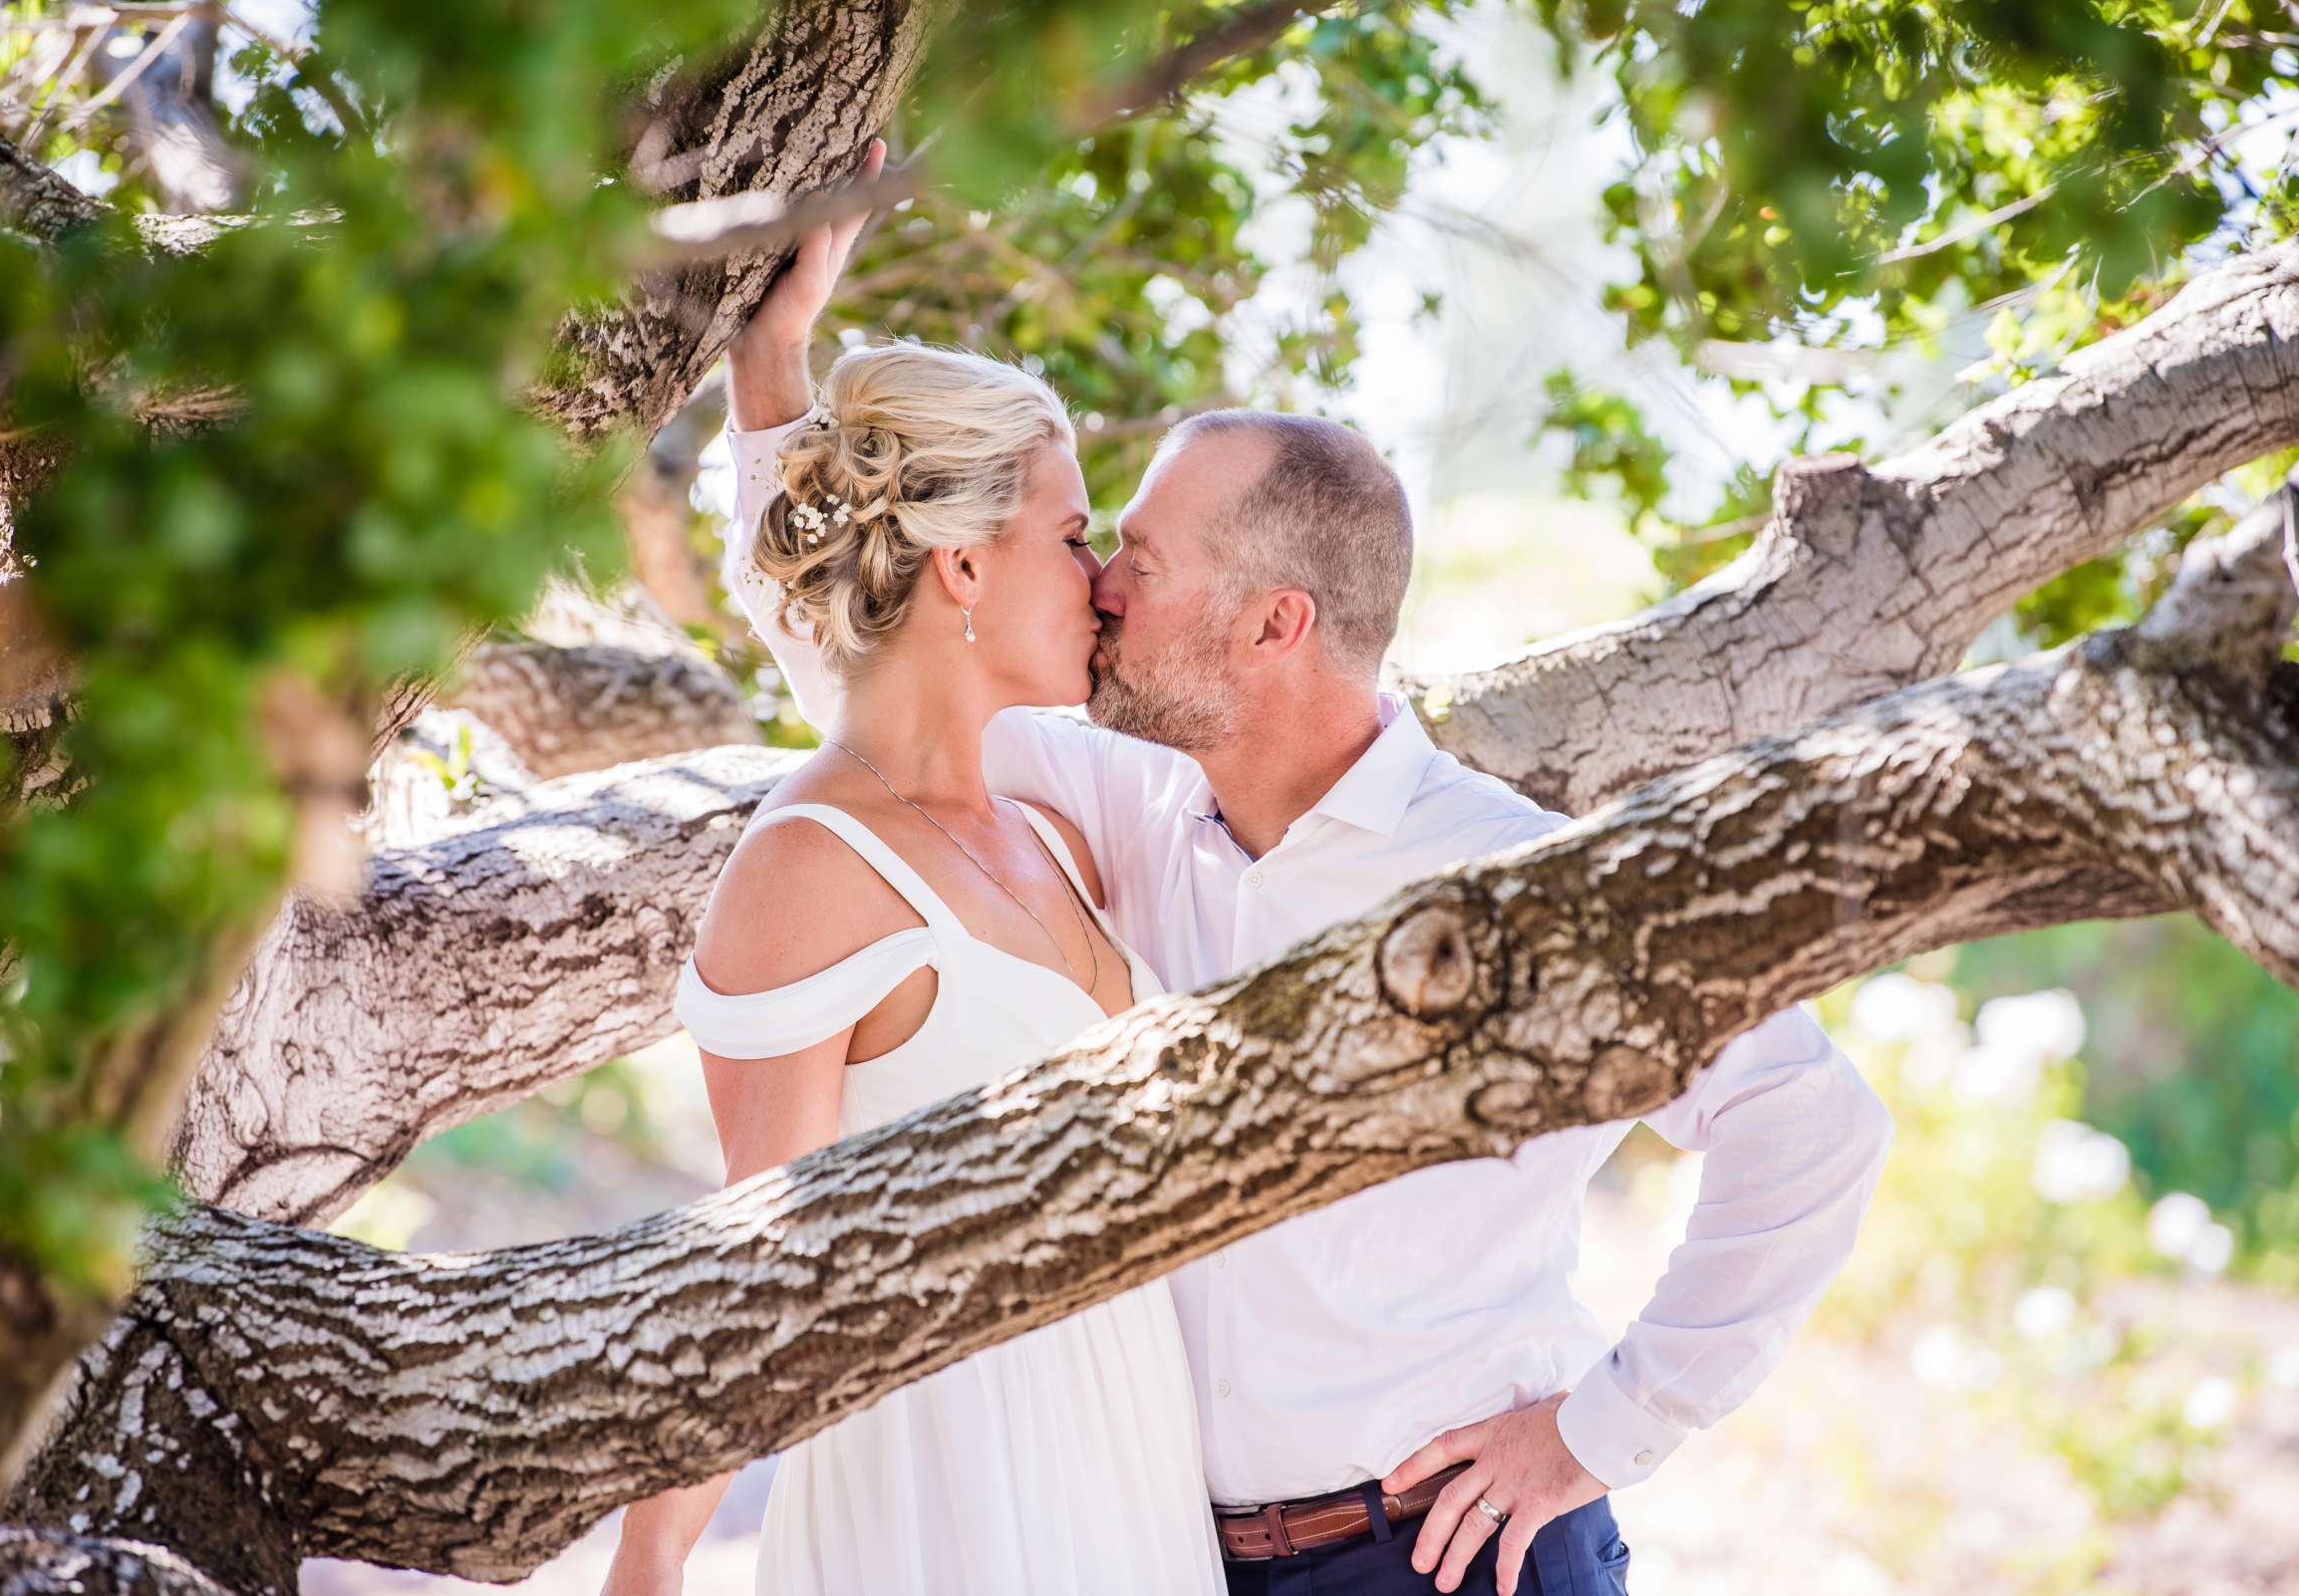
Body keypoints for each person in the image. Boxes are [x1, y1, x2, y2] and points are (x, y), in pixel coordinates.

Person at [710, 144, 1897, 1596]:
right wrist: (770, 378)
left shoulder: (1507, 878)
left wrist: (1603, 1428)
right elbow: (882, 660)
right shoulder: (1128, 813)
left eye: (1134, 555)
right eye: (1095, 545)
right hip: (1177, 1555)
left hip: (1454, 1556)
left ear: (1275, 626)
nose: (1100, 584)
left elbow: (1811, 1119)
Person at [602, 142, 1227, 1596]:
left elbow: (819, 624)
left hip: (1129, 1474)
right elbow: (747, 1271)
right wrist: (647, 1572)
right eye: (1073, 537)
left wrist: (780, 360)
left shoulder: (1047, 810)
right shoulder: (813, 864)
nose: (1104, 580)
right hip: (955, 1501)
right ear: (959, 569)